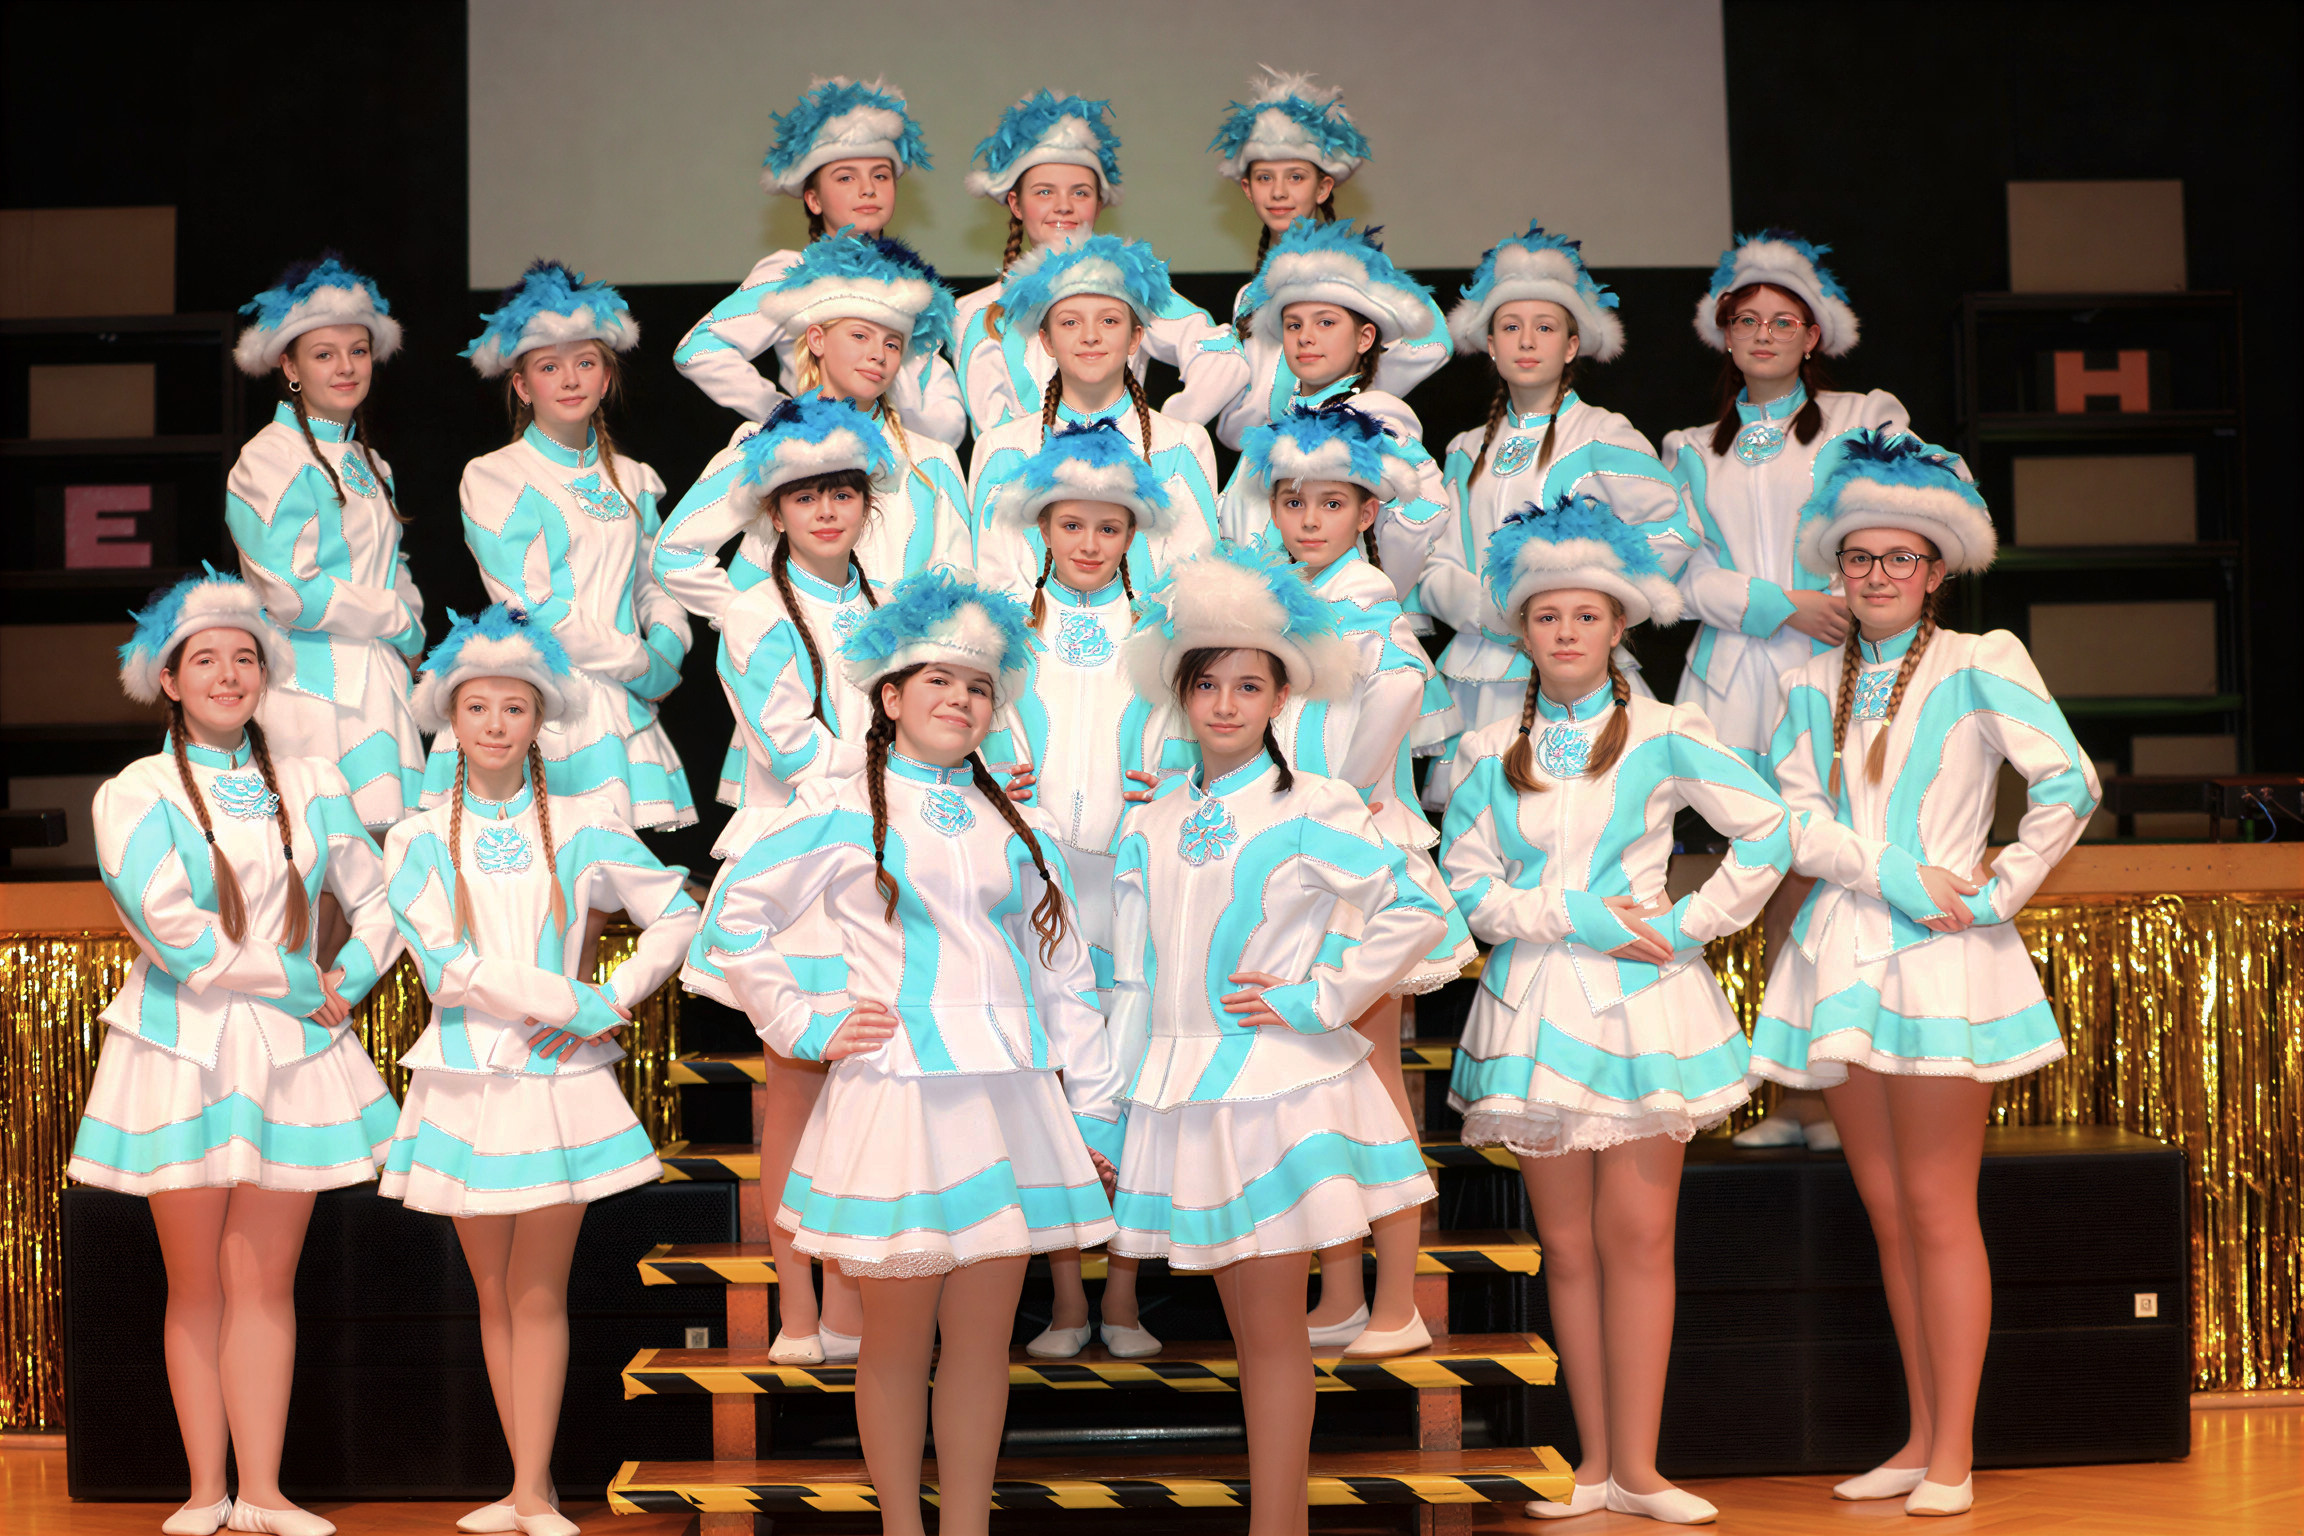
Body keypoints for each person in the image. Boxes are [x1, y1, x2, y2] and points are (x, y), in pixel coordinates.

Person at [686, 571, 1124, 1536]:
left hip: (1008, 1102)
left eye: (978, 688)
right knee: (892, 1345)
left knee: (981, 1346)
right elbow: (731, 921)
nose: (960, 701)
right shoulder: (842, 808)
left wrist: (1095, 1113)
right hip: (898, 1103)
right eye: (938, 682)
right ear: (889, 697)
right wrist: (806, 1022)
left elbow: (1066, 979)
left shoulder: (1023, 825)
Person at [1751, 432, 2099, 1519]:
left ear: (1937, 568)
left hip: (1945, 959)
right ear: (1838, 567)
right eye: (1860, 558)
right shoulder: (1807, 679)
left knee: (1941, 1208)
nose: (1878, 575)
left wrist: (2000, 890)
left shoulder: (1982, 659)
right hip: (1844, 952)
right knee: (1889, 1210)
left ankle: (1954, 1452)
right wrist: (1893, 874)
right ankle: (1916, 1437)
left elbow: (2070, 783)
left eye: (1900, 558)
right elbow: (1791, 822)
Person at [1440, 498, 1790, 1525]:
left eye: (1585, 616)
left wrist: (1691, 925)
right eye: (1547, 616)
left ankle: (1640, 1469)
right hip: (1535, 1011)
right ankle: (1592, 1467)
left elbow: (1770, 831)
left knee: (1638, 1237)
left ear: (1618, 624)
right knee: (1569, 1247)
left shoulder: (1670, 734)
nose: (1566, 632)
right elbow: (1464, 884)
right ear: (1521, 629)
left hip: (1643, 1014)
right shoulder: (1483, 752)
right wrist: (1568, 913)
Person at [1109, 543, 1445, 1536]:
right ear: (1181, 693)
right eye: (1207, 684)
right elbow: (1131, 978)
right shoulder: (1151, 819)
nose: (1225, 704)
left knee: (1269, 1335)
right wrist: (1108, 1103)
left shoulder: (1315, 805)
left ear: (1280, 696)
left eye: (1247, 685)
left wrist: (1317, 997)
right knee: (1249, 1329)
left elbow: (1414, 911)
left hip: (1275, 1094)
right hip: (1180, 1093)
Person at [71, 571, 402, 1536]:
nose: (228, 674)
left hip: (288, 1058)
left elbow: (382, 898)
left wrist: (351, 978)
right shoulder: (135, 793)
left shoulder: (313, 781)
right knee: (196, 1281)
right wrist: (296, 980)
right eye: (206, 660)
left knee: (265, 1281)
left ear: (265, 674)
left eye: (245, 658)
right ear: (168, 680)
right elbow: (169, 924)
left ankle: (263, 1493)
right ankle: (203, 1491)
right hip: (183, 1050)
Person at [380, 605, 699, 1536]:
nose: (494, 724)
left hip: (559, 1083)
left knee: (537, 1288)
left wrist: (614, 994)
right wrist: (567, 1000)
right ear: (450, 718)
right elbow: (446, 967)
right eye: (476, 707)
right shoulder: (414, 837)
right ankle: (528, 1487)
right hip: (465, 1077)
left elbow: (680, 913)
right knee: (492, 1290)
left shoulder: (589, 821)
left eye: (513, 708)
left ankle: (531, 1488)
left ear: (539, 718)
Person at [1234, 406, 1477, 1353]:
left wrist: (1330, 798)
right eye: (1292, 502)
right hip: (1297, 855)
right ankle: (1341, 1293)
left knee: (1372, 1082)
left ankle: (1397, 1302)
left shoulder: (1369, 601)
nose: (1308, 520)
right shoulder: (1284, 597)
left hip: (1353, 860)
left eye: (1331, 503)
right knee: (1321, 1085)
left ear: (1369, 511)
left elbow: (1399, 697)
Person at [1665, 230, 1913, 1154]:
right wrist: (1782, 605)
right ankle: (1793, 1099)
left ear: (1814, 335)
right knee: (1771, 882)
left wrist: (1843, 595)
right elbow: (1676, 574)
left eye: (1782, 320)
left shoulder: (1862, 416)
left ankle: (1856, 1096)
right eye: (1746, 320)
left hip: (1843, 672)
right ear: (1722, 336)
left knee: (1838, 879)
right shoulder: (1688, 448)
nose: (1763, 334)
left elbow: (1912, 512)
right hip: (1733, 684)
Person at [666, 395, 900, 1363]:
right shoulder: (756, 610)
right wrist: (899, 760)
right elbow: (791, 748)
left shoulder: (891, 601)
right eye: (805, 496)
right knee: (798, 1094)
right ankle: (799, 1308)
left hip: (881, 858)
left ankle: (851, 1306)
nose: (827, 511)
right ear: (774, 510)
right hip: (796, 866)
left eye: (842, 492)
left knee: (869, 1090)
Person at [976, 420, 1198, 1360]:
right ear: (1043, 528)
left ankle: (1125, 1294)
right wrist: (993, 768)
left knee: (1134, 1071)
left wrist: (1174, 773)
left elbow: (1198, 725)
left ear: (1133, 535)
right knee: (1056, 1074)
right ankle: (1066, 1296)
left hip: (1134, 876)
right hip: (1039, 874)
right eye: (1072, 525)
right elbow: (967, 719)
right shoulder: (1004, 629)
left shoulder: (1161, 629)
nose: (1090, 544)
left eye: (1109, 528)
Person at [1420, 223, 1690, 806]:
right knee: (1488, 822)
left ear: (1571, 345)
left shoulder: (1603, 433)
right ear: (1490, 343)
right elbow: (1436, 559)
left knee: (1587, 813)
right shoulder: (1465, 449)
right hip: (1481, 672)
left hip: (1574, 665)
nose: (1526, 341)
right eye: (1510, 327)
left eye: (1544, 327)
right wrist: (1491, 610)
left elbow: (1671, 531)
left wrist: (1590, 598)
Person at [422, 260, 694, 830]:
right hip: (545, 704)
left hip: (623, 705)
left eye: (585, 363)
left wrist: (667, 655)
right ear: (523, 386)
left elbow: (657, 582)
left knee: (612, 870)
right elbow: (531, 604)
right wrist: (639, 662)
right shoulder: (496, 476)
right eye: (550, 366)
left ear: (606, 378)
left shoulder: (635, 478)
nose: (570, 380)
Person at [226, 255, 425, 836]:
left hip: (380, 685)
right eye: (324, 354)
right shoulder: (269, 458)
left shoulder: (371, 462)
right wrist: (396, 619)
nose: (345, 367)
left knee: (392, 860)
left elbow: (393, 565)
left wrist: (409, 625)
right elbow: (291, 593)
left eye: (358, 351)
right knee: (320, 852)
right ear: (289, 364)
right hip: (310, 693)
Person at [673, 76, 963, 446]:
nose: (868, 189)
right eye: (845, 178)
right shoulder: (793, 272)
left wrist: (912, 439)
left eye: (880, 175)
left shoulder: (915, 287)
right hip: (820, 459)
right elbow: (699, 349)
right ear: (813, 199)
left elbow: (943, 411)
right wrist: (783, 413)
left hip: (902, 463)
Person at [953, 90, 1244, 434]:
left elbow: (1224, 356)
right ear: (1016, 204)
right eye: (1045, 191)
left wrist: (1163, 435)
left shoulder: (1130, 286)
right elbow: (993, 438)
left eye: (1080, 192)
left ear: (1100, 203)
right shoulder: (975, 311)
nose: (1064, 206)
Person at [1213, 220, 1449, 610]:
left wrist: (1366, 597)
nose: (1306, 337)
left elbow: (1425, 512)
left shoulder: (1376, 417)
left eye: (1325, 322)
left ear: (1365, 337)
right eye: (1294, 325)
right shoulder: (1276, 427)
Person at [966, 234, 1221, 594]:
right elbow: (995, 584)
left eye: (1109, 321)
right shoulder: (1001, 449)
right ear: (1046, 340)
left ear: (1135, 338)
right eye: (1070, 322)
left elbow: (1194, 580)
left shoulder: (1183, 445)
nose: (1090, 336)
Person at [1208, 70, 1450, 429]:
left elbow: (1434, 340)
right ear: (1247, 188)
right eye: (1264, 178)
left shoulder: (1356, 266)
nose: (1278, 192)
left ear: (1323, 188)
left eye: (1295, 177)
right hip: (1263, 453)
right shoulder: (1248, 296)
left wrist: (1348, 399)